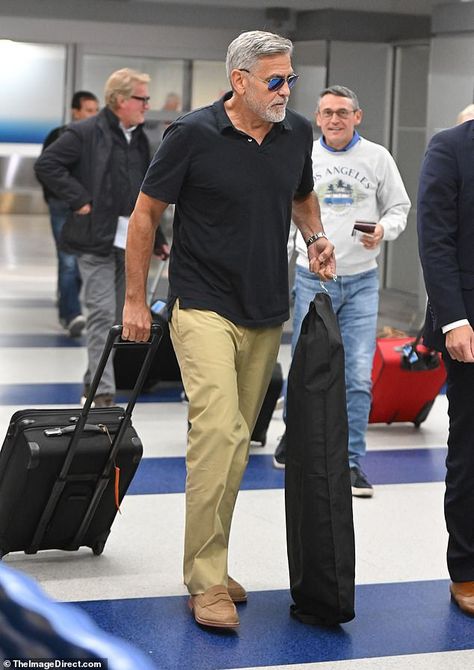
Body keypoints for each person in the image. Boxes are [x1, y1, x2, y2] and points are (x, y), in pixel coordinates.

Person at [121, 30, 335, 629]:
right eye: (275, 79)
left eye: (290, 78)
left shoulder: (295, 133)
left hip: (266, 307)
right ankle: (206, 580)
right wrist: (136, 301)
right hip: (202, 304)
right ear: (238, 80)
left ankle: (212, 558)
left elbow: (302, 197)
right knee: (217, 428)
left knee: (239, 440)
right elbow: (144, 217)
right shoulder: (191, 134)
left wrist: (316, 238)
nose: (286, 90)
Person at [273, 85, 410, 499]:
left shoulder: (377, 157)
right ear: (317, 118)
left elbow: (399, 207)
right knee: (306, 367)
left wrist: (385, 231)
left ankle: (350, 462)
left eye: (343, 112)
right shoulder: (304, 154)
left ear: (358, 116)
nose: (335, 119)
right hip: (314, 278)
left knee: (356, 377)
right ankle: (294, 439)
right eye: (328, 112)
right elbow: (285, 209)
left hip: (363, 280)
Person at [35, 68, 168, 407]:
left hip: (130, 243)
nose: (147, 105)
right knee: (101, 313)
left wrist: (158, 236)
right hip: (95, 240)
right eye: (142, 98)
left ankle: (93, 379)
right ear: (121, 100)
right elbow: (48, 165)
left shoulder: (139, 137)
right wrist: (78, 199)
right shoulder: (84, 132)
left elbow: (148, 191)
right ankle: (102, 393)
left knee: (119, 317)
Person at [417, 118, 474, 617]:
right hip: (470, 327)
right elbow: (435, 239)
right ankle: (467, 570)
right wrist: (453, 318)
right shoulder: (451, 147)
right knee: (471, 452)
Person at [38, 90, 99, 337]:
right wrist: (58, 198)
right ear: (75, 111)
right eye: (88, 110)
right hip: (63, 206)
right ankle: (71, 314)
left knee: (80, 260)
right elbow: (45, 168)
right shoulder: (59, 135)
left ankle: (67, 302)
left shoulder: (97, 139)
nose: (93, 115)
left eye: (96, 110)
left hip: (87, 207)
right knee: (67, 261)